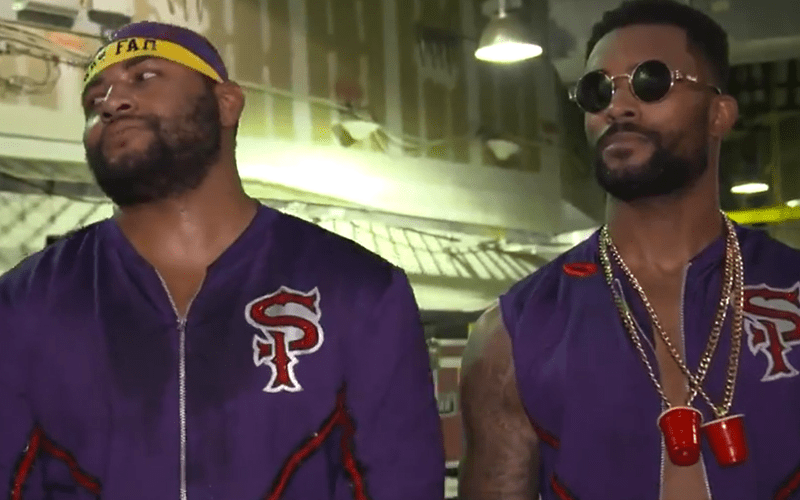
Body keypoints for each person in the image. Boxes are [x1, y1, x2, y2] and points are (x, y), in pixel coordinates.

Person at [0, 21, 444, 500]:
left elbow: (401, 483)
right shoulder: (26, 302)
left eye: (144, 77)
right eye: (93, 100)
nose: (111, 101)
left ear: (227, 103)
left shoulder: (359, 289)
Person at [459, 0, 800, 498]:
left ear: (719, 114)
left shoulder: (790, 287)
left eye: (651, 81)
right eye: (597, 90)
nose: (617, 106)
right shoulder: (513, 335)